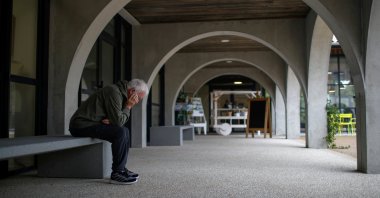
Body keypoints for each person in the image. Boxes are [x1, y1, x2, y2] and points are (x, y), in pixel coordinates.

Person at [69, 79, 149, 185]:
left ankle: (121, 169)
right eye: (139, 97)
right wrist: (128, 106)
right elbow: (119, 121)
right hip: (81, 125)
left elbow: (118, 120)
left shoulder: (120, 94)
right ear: (132, 91)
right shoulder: (114, 92)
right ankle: (117, 173)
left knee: (125, 131)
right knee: (120, 132)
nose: (137, 101)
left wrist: (113, 119)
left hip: (93, 123)